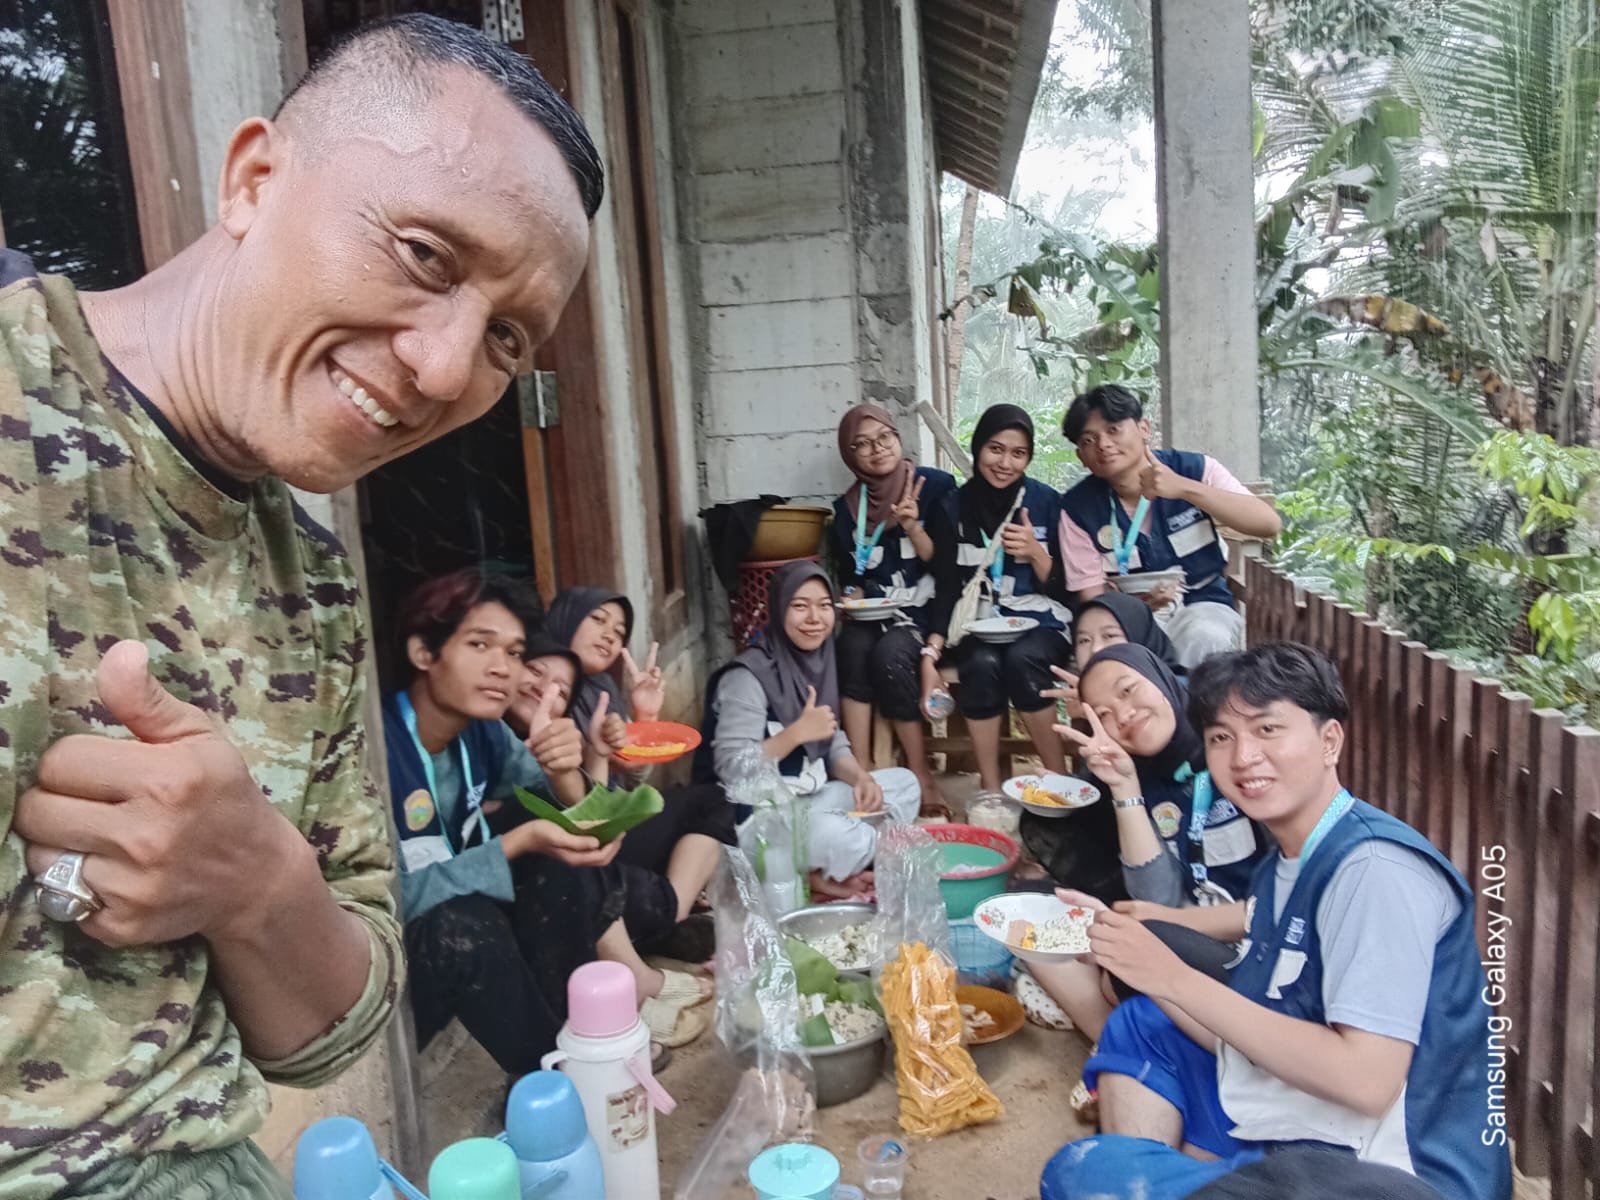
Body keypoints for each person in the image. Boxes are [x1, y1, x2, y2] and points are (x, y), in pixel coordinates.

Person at [0, 13, 600, 1196]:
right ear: (253, 180)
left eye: (505, 339)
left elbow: (328, 1031)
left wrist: (255, 879)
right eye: (424, 254)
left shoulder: (315, 584)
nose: (444, 368)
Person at [1040, 644, 1513, 1200]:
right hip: (1314, 1124)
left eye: (1268, 729)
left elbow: (1366, 1081)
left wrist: (1171, 975)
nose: (1244, 757)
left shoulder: (1375, 871)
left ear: (1330, 740)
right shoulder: (1284, 864)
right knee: (1142, 1021)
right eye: (1222, 737)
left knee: (1082, 1171)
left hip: (1394, 1177)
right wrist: (1137, 963)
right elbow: (1255, 1027)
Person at [387, 570, 710, 1063]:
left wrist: (565, 770)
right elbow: (385, 904)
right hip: (395, 965)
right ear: (423, 652)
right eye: (480, 644)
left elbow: (575, 808)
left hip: (472, 903)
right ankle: (553, 1066)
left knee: (554, 853)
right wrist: (516, 843)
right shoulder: (374, 752)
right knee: (463, 925)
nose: (503, 669)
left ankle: (585, 1032)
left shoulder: (483, 732)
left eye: (515, 653)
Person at [1023, 644, 1267, 1040]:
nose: (1123, 715)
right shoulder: (1139, 771)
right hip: (1176, 931)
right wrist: (1126, 788)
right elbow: (1156, 897)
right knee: (1033, 910)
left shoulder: (1239, 759)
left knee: (1120, 969)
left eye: (1128, 690)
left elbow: (1288, 907)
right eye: (1103, 714)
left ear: (1163, 681)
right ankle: (1111, 1040)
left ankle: (1133, 1039)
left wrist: (1153, 928)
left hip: (1258, 948)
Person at [695, 562, 920, 899]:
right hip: (756, 820)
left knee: (905, 784)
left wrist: (860, 778)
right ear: (778, 609)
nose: (815, 618)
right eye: (800, 606)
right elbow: (732, 769)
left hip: (808, 799)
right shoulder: (746, 677)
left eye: (824, 605)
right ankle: (862, 856)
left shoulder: (817, 662)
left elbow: (830, 739)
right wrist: (795, 734)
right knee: (838, 836)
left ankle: (822, 868)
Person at [507, 629, 734, 959]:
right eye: (535, 671)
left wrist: (601, 751)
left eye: (562, 690)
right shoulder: (489, 734)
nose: (547, 688)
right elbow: (583, 826)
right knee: (619, 885)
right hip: (556, 874)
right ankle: (662, 920)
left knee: (715, 800)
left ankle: (671, 914)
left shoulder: (593, 698)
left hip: (600, 842)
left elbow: (598, 813)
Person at [1058, 385, 1282, 669]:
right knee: (1112, 652)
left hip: (1203, 603)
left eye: (1114, 430)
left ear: (1143, 428)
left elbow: (1268, 523)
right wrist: (1137, 607)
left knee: (1205, 636)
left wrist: (1184, 488)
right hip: (1128, 618)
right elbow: (1092, 597)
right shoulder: (1077, 508)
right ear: (1081, 456)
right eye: (1089, 440)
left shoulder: (1195, 469)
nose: (1103, 444)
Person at [922, 404, 1073, 792]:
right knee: (981, 663)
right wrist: (931, 651)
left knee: (1024, 660)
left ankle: (1060, 781)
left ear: (1029, 458)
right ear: (978, 448)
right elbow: (946, 586)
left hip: (1041, 623)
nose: (1005, 463)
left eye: (1018, 453)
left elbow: (1067, 588)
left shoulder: (1047, 503)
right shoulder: (952, 507)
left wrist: (1037, 554)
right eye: (996, 449)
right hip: (979, 625)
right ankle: (990, 790)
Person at [829, 403, 957, 813]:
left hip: (927, 613)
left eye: (884, 437)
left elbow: (947, 567)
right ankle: (861, 766)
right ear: (850, 455)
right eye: (862, 444)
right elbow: (850, 572)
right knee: (850, 646)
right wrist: (850, 594)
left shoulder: (935, 487)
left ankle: (920, 772)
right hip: (873, 614)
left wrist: (913, 527)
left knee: (891, 655)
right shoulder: (847, 509)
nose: (877, 448)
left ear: (898, 438)